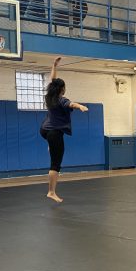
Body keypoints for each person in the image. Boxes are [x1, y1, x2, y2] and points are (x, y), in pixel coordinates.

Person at [40, 57, 89, 203]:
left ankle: (50, 144)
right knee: (56, 164)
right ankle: (51, 192)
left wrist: (54, 65)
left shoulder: (49, 96)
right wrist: (80, 106)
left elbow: (53, 79)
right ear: (62, 89)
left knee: (52, 144)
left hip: (44, 130)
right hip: (54, 133)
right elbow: (71, 104)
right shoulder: (61, 99)